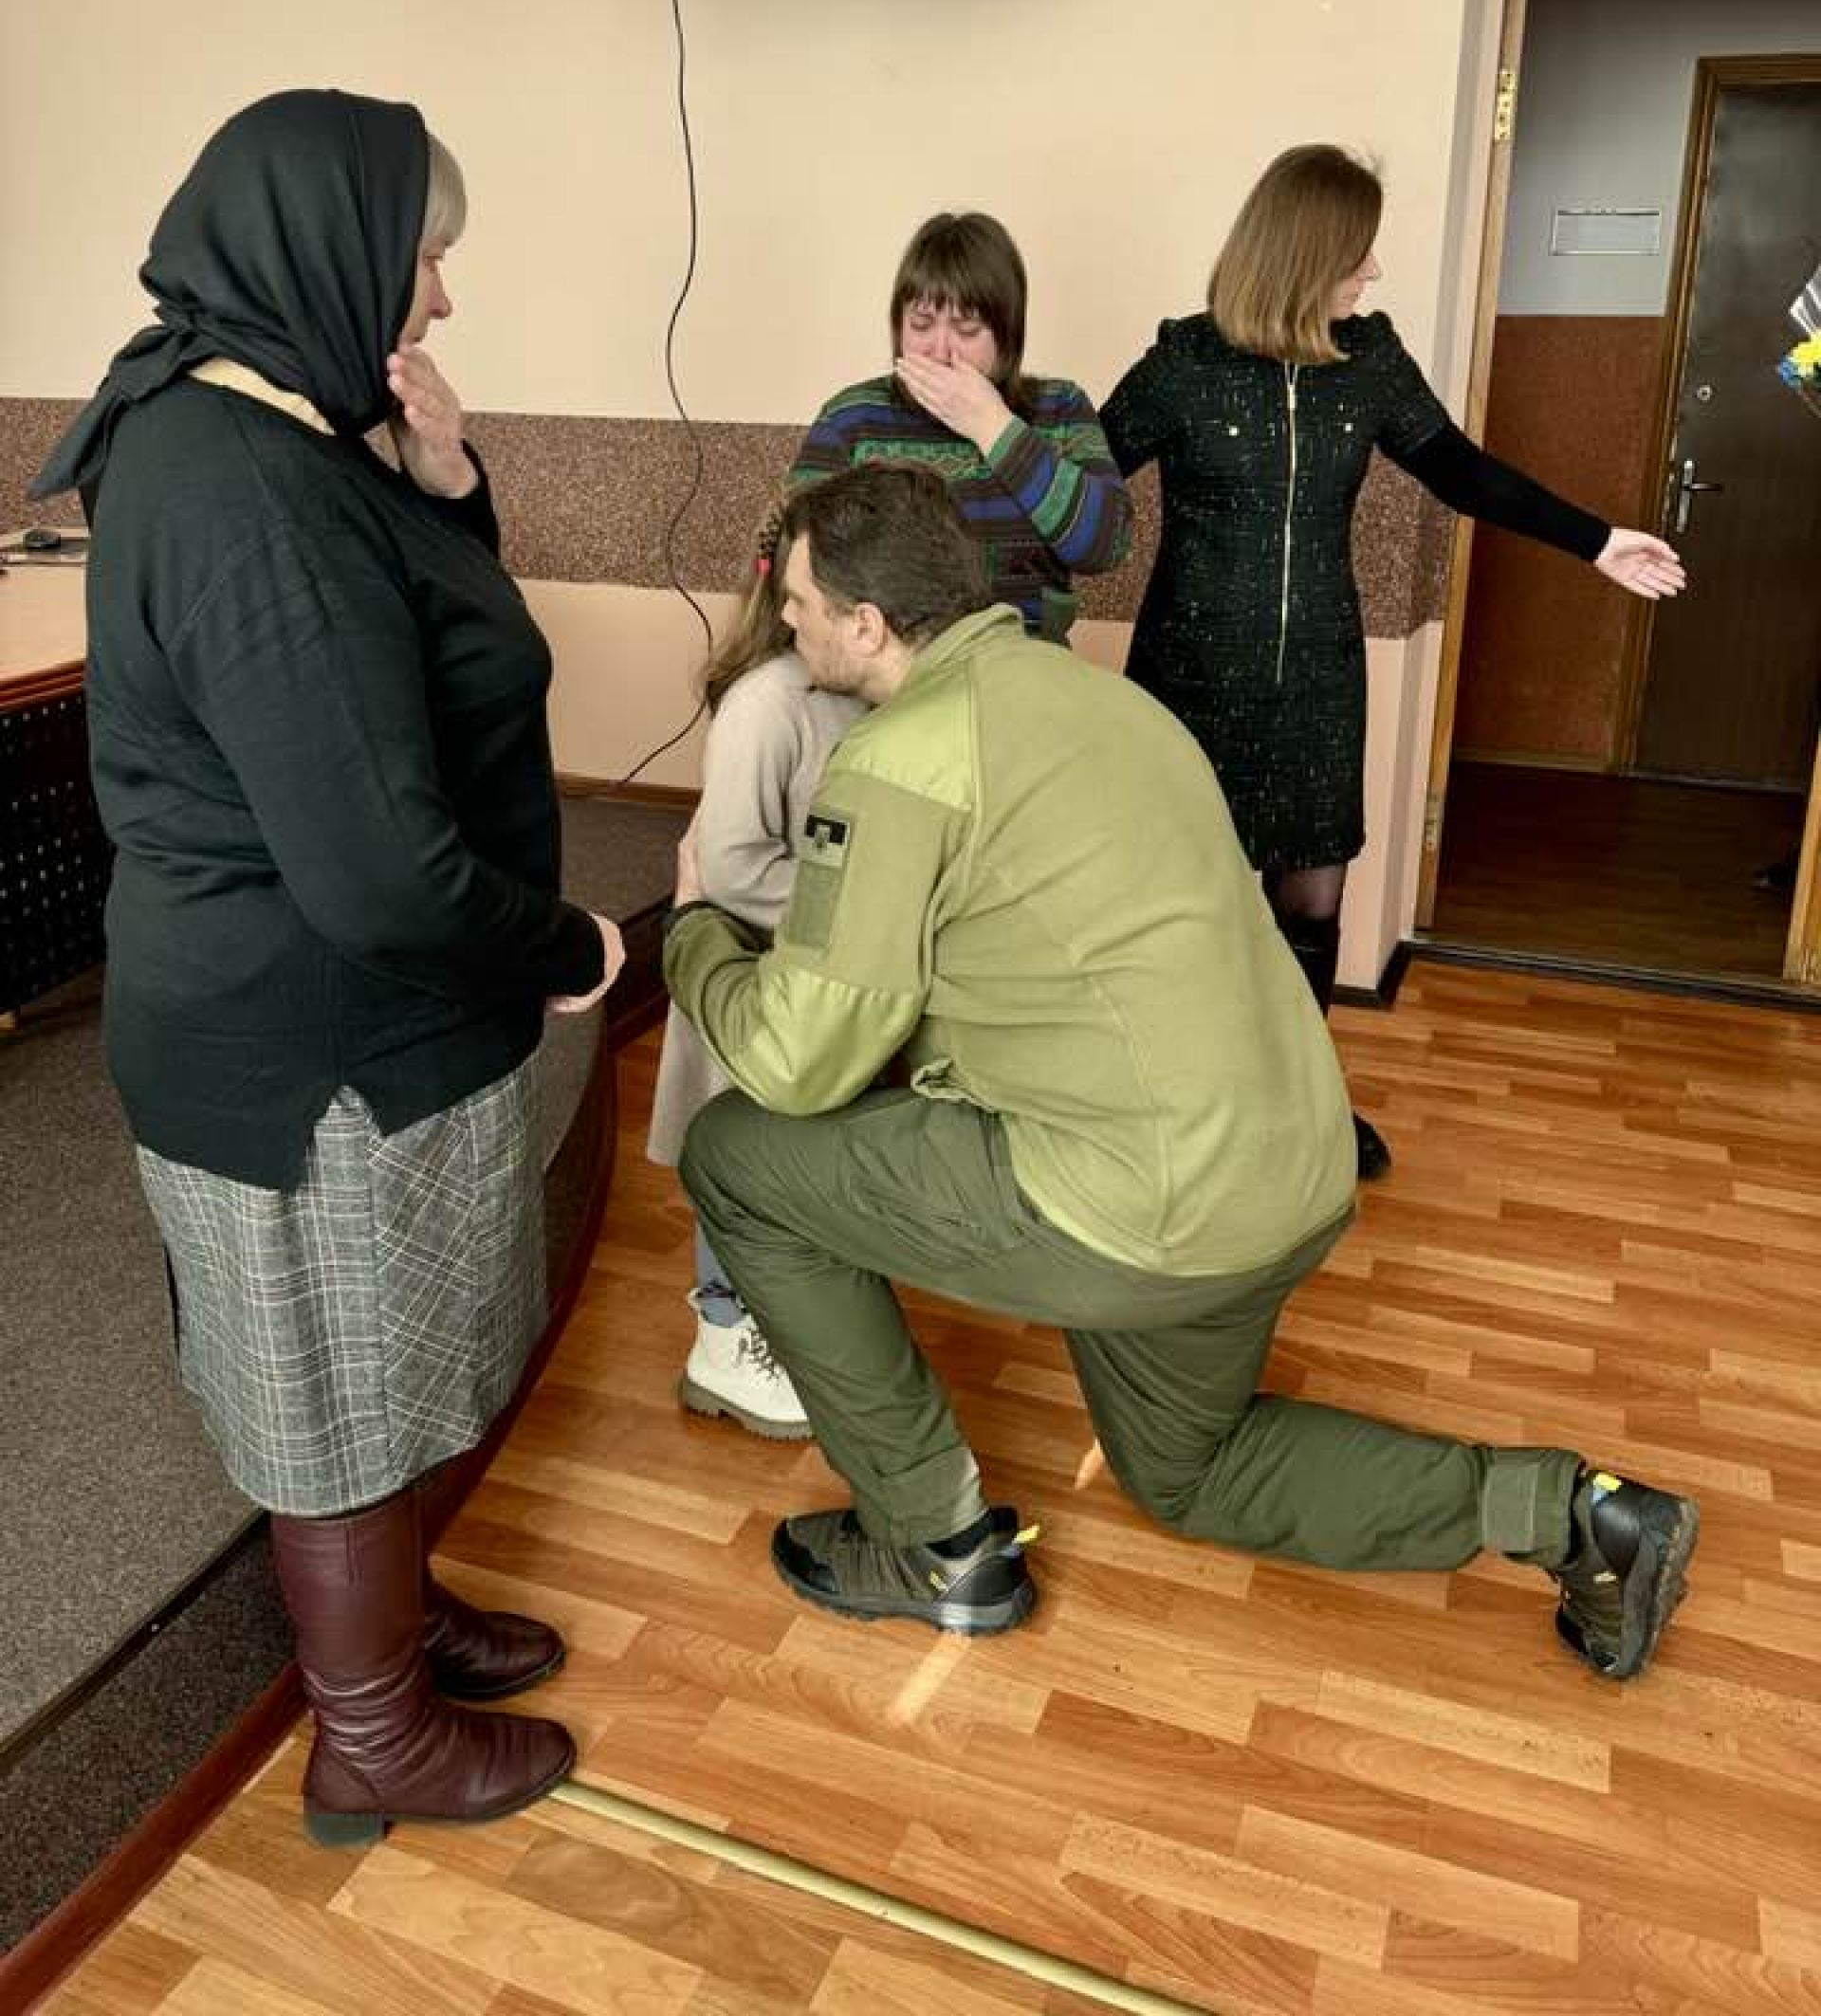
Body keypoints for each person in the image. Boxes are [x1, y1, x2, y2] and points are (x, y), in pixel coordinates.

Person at [663, 464, 1699, 1682]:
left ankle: (933, 1543)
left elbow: (796, 1061)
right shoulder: (1106, 701)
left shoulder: (901, 758)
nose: (783, 622)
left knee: (737, 1156)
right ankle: (1578, 1518)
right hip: (1287, 1170)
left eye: (796, 603)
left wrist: (693, 932)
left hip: (1143, 1200)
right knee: (1188, 1471)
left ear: (868, 625)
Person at [32, 89, 624, 1845]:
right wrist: (568, 941)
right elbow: (379, 872)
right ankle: (372, 1740)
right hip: (305, 1048)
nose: (439, 295)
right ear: (326, 246)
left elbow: (442, 656)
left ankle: (392, 1629)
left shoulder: (284, 430)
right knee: (340, 1405)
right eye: (423, 256)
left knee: (382, 1374)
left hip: (338, 1018)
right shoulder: (242, 489)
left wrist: (447, 483)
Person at [1099, 146, 1685, 1180]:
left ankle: (1295, 1107)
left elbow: (1459, 469)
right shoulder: (1182, 364)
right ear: (1302, 253)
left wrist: (1596, 540)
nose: (1371, 272)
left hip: (1319, 681)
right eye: (1357, 254)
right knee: (1184, 907)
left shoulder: (1367, 361)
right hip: (1188, 681)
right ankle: (1176, 1106)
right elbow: (1077, 485)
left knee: (1311, 905)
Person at [645, 501, 863, 1438]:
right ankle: (725, 1336)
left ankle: (785, 1323)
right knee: (736, 1161)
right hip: (746, 979)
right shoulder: (767, 703)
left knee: (793, 1166)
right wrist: (862, 916)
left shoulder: (863, 691)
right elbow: (732, 869)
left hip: (813, 990)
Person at [787, 210, 1131, 640]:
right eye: (921, 325)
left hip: (1020, 658)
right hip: (885, 662)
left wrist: (993, 426)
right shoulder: (851, 418)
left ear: (1007, 336)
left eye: (967, 330)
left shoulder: (1060, 408)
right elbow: (795, 559)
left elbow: (1105, 547)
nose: (939, 350)